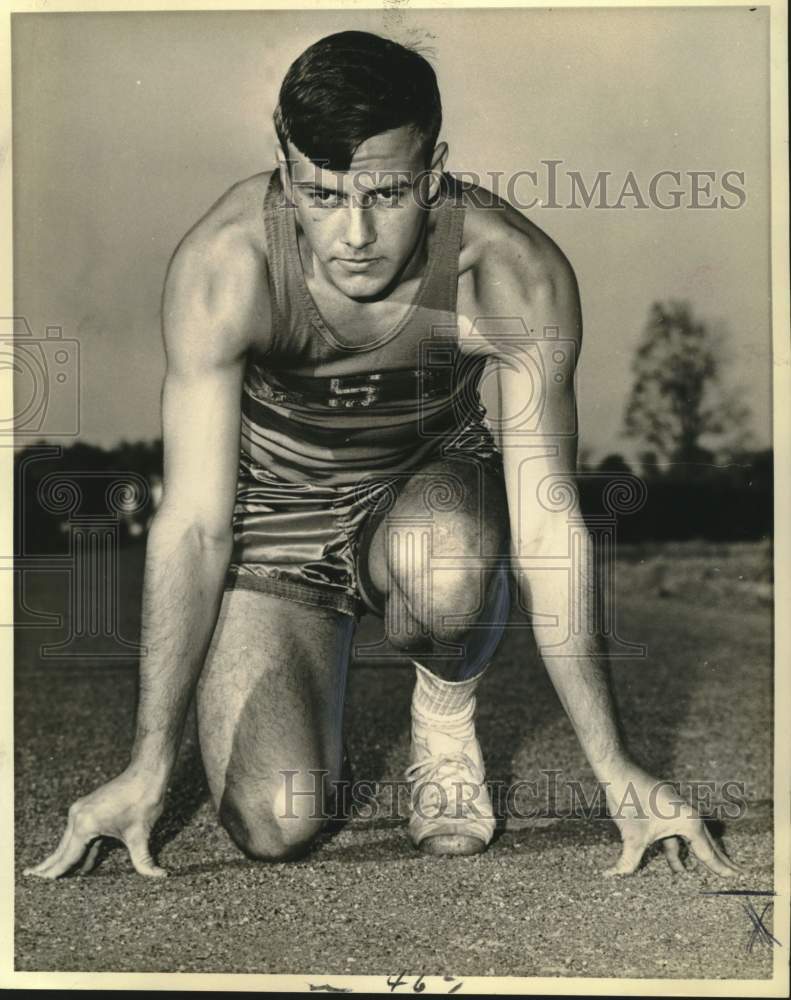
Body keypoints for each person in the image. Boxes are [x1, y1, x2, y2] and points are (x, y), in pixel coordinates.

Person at [26, 30, 739, 878]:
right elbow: (192, 524)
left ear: (433, 169)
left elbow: (549, 529)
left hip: (426, 492)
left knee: (445, 567)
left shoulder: (508, 271)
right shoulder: (226, 265)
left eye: (388, 193)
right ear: (283, 167)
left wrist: (614, 768)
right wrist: (147, 764)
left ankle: (442, 715)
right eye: (321, 196)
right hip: (276, 528)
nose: (354, 233)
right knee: (273, 822)